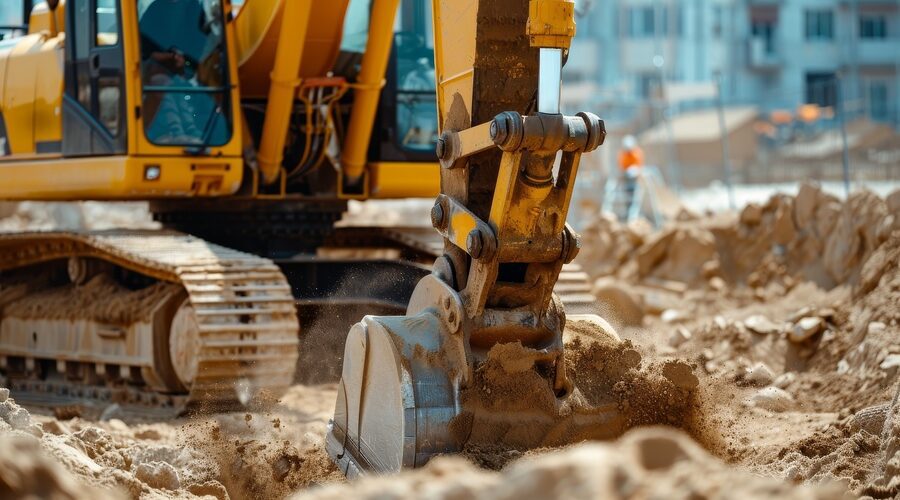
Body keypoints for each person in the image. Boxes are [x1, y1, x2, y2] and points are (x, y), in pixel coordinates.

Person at [616, 135, 644, 220]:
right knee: (627, 196)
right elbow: (622, 165)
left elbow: (638, 164)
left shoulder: (636, 153)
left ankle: (635, 215)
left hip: (634, 179)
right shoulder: (623, 154)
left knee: (634, 197)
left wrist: (634, 171)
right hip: (626, 178)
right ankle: (627, 212)